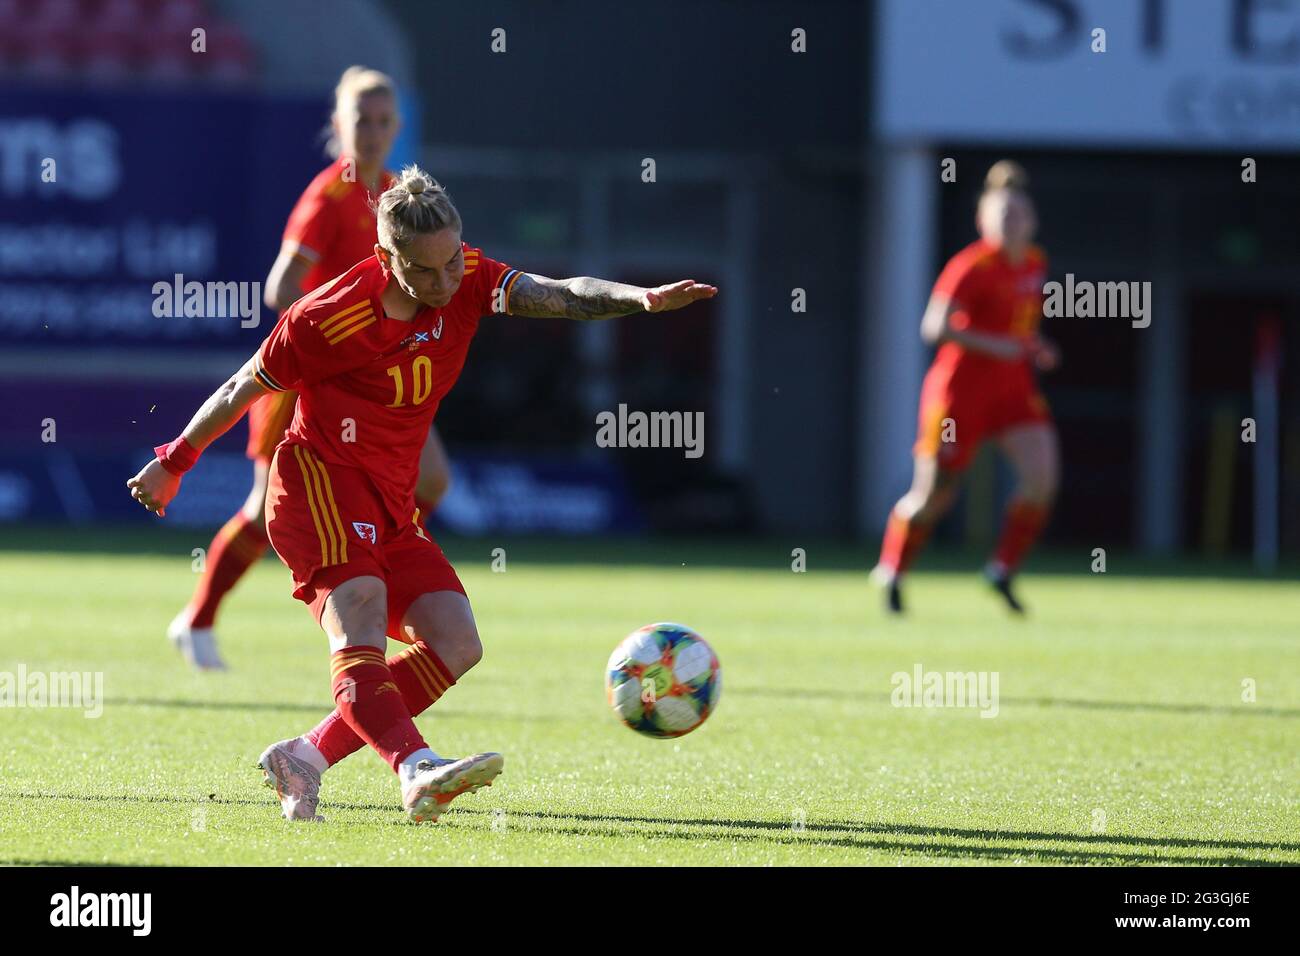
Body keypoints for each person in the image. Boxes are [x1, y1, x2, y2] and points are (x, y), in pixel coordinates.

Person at [128, 166, 717, 822]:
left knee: (456, 643)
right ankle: (417, 769)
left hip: (389, 497)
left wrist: (637, 300)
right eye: (426, 271)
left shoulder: (469, 279)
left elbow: (563, 294)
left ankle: (306, 757)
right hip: (318, 485)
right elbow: (244, 387)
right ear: (386, 257)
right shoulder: (329, 317)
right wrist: (173, 461)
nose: (444, 284)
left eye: (451, 265)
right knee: (363, 618)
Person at [168, 66, 452, 670]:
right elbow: (280, 288)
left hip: (379, 385)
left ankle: (375, 562)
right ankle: (197, 618)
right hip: (312, 376)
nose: (372, 133)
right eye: (360, 121)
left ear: (397, 126)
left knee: (432, 478)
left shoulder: (399, 195)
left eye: (382, 121)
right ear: (337, 126)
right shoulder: (329, 197)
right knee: (258, 509)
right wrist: (336, 337)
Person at [872, 160, 1060, 615]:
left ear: (1032, 221)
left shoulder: (1036, 264)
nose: (1012, 222)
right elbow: (933, 327)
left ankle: (1001, 570)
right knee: (934, 496)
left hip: (1012, 392)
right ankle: (893, 569)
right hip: (959, 393)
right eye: (1003, 215)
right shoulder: (969, 266)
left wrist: (1035, 349)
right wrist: (996, 346)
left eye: (1019, 214)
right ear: (983, 221)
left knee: (1042, 477)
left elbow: (1018, 327)